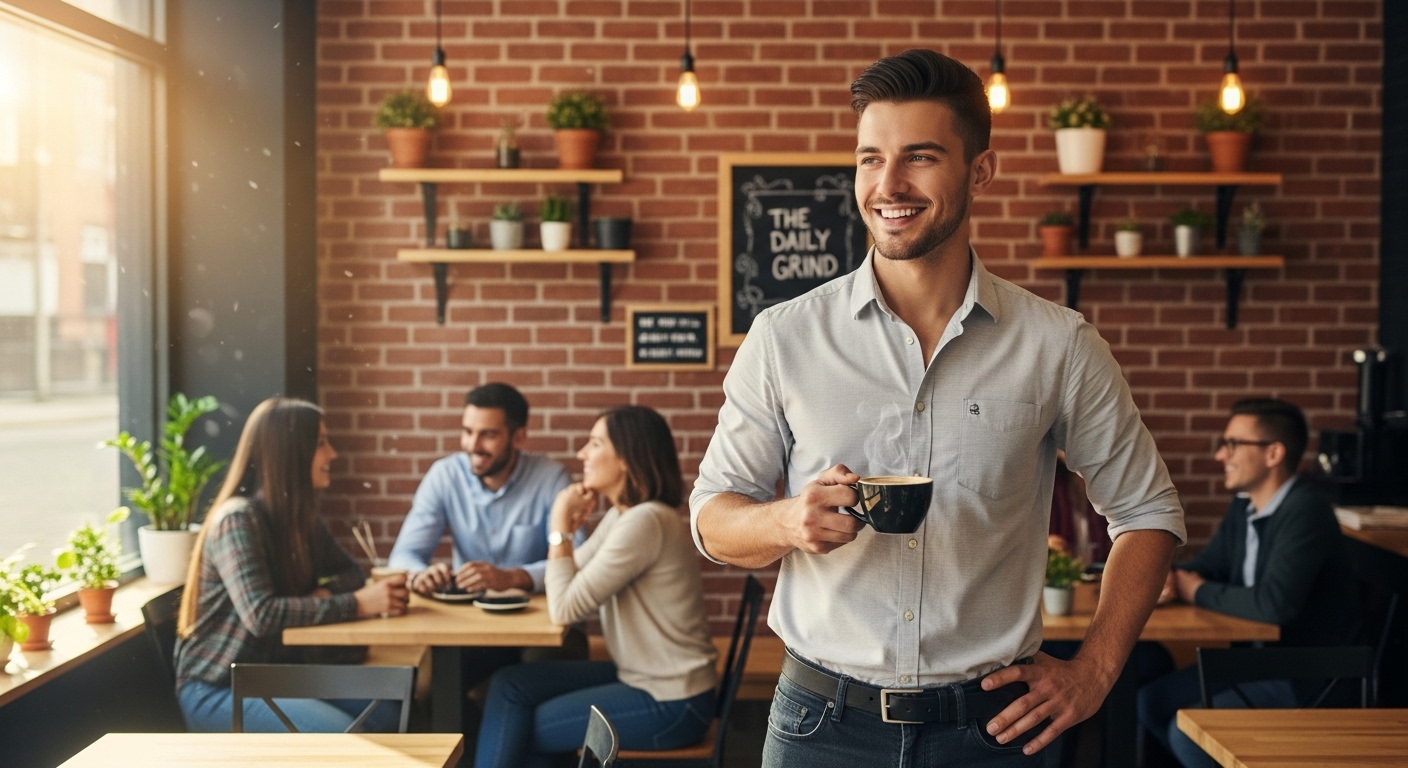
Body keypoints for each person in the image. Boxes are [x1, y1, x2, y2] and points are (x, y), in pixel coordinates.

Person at [690, 49, 1186, 766]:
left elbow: (1148, 511)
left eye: (919, 157)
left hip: (995, 732)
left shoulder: (1058, 344)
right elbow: (710, 515)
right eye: (869, 159)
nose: (888, 185)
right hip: (819, 727)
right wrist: (784, 521)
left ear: (980, 171)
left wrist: (1096, 670)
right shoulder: (784, 337)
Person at [474, 406, 718, 768]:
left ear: (625, 458)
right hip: (641, 677)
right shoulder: (625, 516)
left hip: (672, 702)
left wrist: (560, 527)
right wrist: (515, 576)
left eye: (594, 443)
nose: (581, 454)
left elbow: (565, 607)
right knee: (510, 684)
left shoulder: (645, 521)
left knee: (519, 726)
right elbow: (568, 573)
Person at [1136, 398, 1362, 768]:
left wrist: (1194, 590)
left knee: (1187, 737)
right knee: (1150, 702)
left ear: (1273, 453)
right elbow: (1210, 565)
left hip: (1309, 675)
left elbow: (1273, 605)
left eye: (1233, 444)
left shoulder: (1305, 510)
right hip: (1253, 663)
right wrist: (1172, 578)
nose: (1220, 455)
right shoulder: (1245, 506)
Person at [174, 397, 410, 733]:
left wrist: (323, 595)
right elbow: (261, 615)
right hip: (218, 688)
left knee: (389, 710)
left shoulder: (301, 520)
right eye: (321, 444)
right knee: (345, 736)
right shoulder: (237, 520)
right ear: (291, 454)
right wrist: (356, 604)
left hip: (274, 677)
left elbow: (352, 573)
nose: (333, 455)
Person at [388, 382, 570, 597]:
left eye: (488, 435)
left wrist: (512, 578)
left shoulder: (551, 479)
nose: (473, 445)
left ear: (519, 437)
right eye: (467, 432)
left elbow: (572, 561)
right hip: (467, 615)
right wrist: (420, 575)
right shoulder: (445, 475)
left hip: (534, 613)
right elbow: (403, 554)